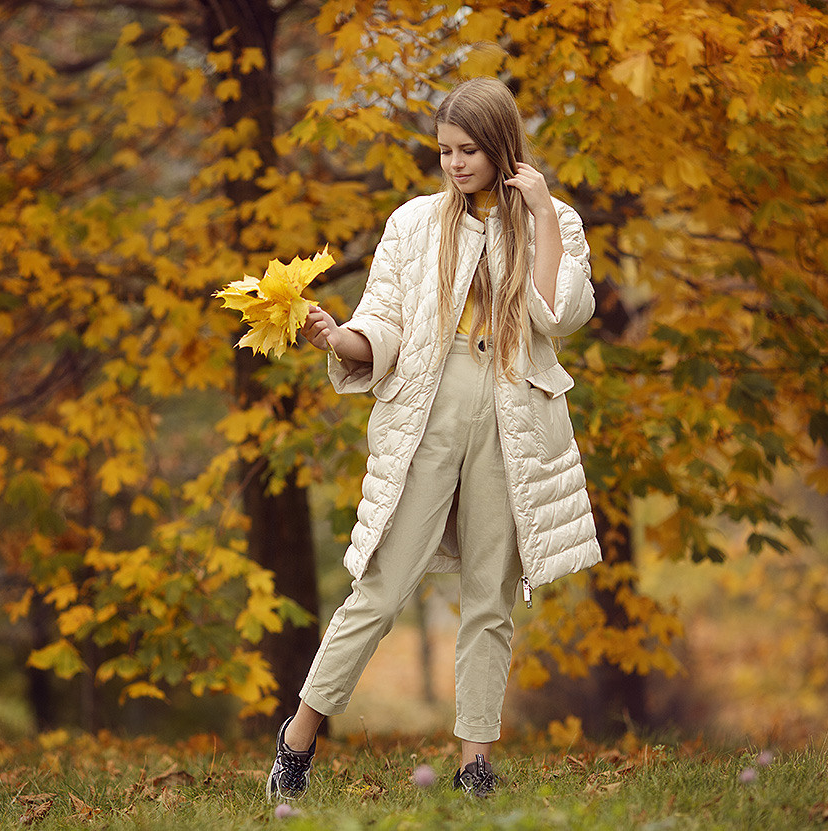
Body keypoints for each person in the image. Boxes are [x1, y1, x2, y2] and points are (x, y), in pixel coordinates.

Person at [265, 77, 602, 802]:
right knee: (380, 589)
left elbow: (557, 315)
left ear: (501, 145)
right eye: (444, 150)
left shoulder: (556, 219)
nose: (453, 163)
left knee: (490, 598)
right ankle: (297, 738)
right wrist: (339, 335)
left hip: (513, 412)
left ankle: (473, 763)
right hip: (427, 410)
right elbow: (382, 323)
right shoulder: (413, 223)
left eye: (468, 149)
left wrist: (539, 210)